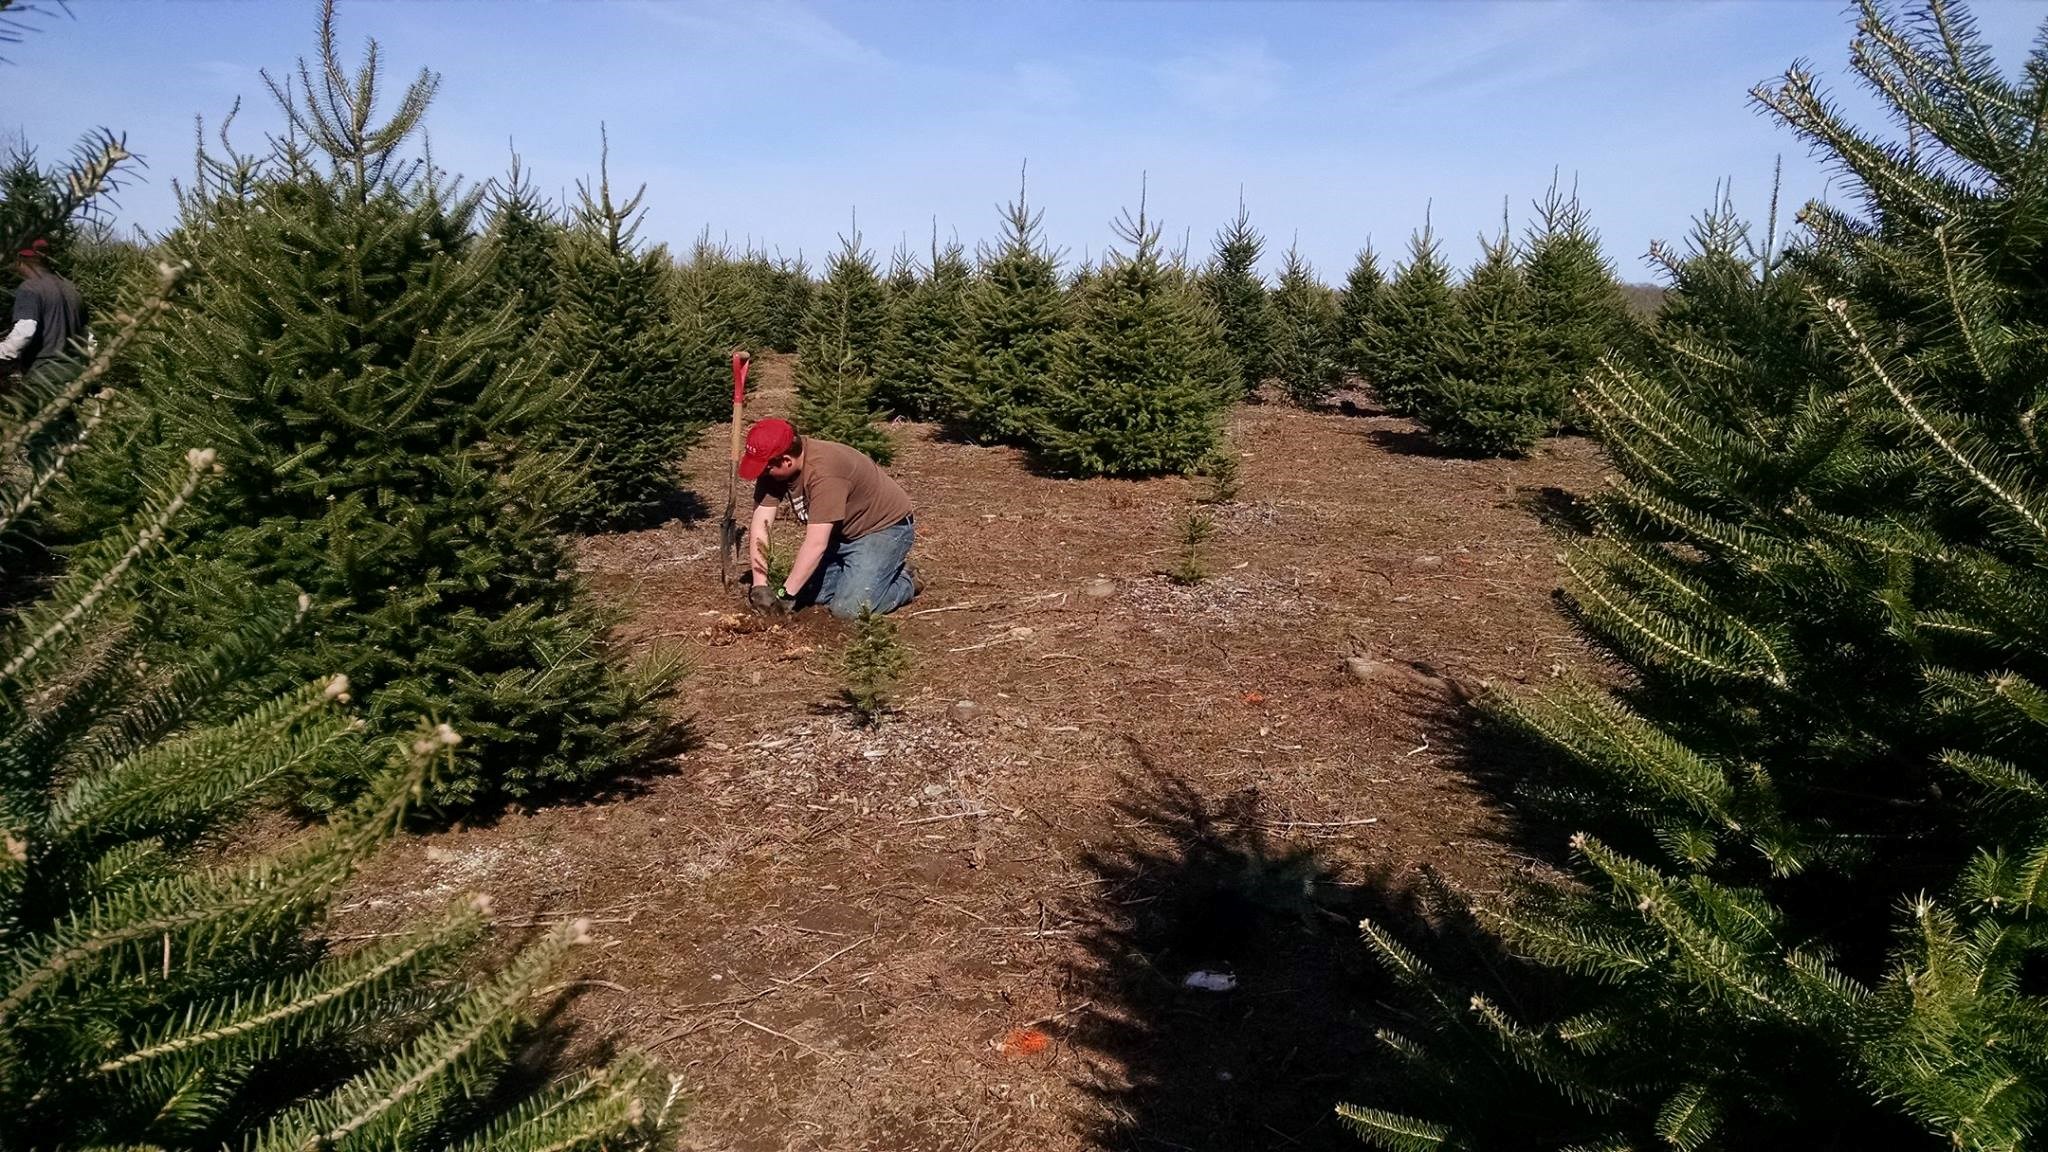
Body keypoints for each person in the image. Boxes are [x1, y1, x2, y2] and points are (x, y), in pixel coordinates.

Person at [740, 417, 919, 619]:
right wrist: (759, 584)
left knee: (848, 610)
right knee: (807, 592)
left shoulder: (824, 473)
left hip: (883, 529)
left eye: (765, 469)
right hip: (840, 534)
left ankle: (905, 579)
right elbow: (760, 525)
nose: (761, 475)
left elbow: (816, 545)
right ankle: (872, 576)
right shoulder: (773, 470)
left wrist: (785, 596)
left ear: (786, 461)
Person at [0, 238, 89, 383]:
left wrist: (2, 351)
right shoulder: (71, 288)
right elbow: (87, 336)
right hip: (76, 374)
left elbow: (25, 332)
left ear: (21, 261)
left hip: (44, 377)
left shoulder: (29, 287)